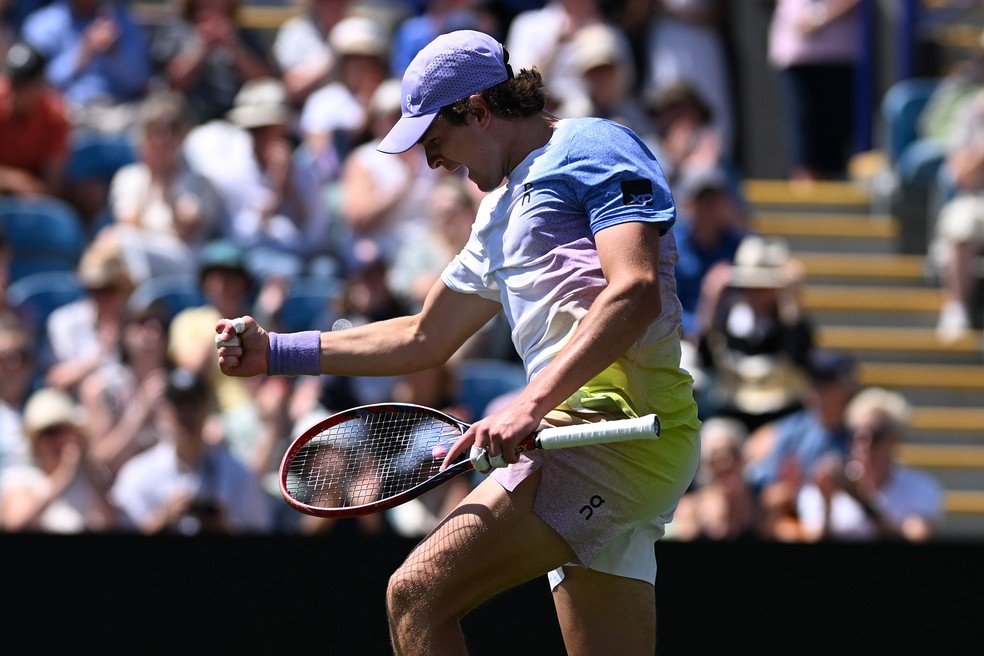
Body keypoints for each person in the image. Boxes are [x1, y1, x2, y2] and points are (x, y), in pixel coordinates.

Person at [215, 30, 700, 654]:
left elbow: (634, 292)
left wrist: (529, 403)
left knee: (413, 596)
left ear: (478, 111)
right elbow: (422, 336)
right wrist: (276, 353)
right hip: (598, 439)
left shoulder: (594, 145)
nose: (433, 163)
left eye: (436, 142)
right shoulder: (495, 218)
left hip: (612, 432)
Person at [109, 365, 274, 534]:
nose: (187, 415)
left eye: (193, 405)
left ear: (207, 410)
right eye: (180, 406)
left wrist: (223, 525)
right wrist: (164, 517)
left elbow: (261, 526)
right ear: (164, 412)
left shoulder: (237, 473)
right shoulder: (139, 474)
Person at [694, 233, 815, 431]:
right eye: (749, 286)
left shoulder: (789, 323)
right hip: (732, 411)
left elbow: (798, 358)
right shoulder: (728, 316)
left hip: (782, 415)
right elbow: (706, 361)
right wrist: (710, 301)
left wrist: (791, 305)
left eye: (763, 286)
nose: (755, 294)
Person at [104, 89, 224, 286]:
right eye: (156, 130)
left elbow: (186, 229)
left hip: (184, 259)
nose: (164, 138)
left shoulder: (197, 181)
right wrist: (152, 179)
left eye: (172, 129)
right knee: (123, 241)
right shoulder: (130, 177)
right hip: (139, 252)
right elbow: (128, 223)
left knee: (123, 242)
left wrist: (165, 181)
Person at [796, 386, 945, 542]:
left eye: (876, 435)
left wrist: (861, 500)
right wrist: (826, 505)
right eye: (857, 435)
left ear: (894, 440)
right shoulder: (825, 483)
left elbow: (916, 537)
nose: (865, 444)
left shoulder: (920, 487)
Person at [742, 348, 860, 541]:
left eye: (827, 382)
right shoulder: (790, 430)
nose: (817, 390)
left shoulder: (865, 433)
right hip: (800, 525)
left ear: (847, 388)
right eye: (814, 382)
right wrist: (793, 491)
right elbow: (769, 495)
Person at [0, 385, 120, 532]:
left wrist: (86, 464)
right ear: (35, 442)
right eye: (50, 432)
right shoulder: (20, 478)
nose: (60, 440)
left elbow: (110, 523)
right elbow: (15, 523)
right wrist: (63, 475)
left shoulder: (89, 478)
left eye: (66, 430)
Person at [767, 0, 863, 182]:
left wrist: (820, 17)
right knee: (802, 123)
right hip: (795, 53)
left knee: (835, 132)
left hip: (841, 55)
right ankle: (805, 184)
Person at [148, 0, 277, 125]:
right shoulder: (176, 32)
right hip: (188, 118)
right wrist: (201, 47)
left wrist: (234, 47)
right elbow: (173, 82)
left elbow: (265, 82)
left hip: (241, 118)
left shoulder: (245, 35)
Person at [0, 41, 71, 198]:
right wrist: (14, 181)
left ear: (39, 85)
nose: (15, 90)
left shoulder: (55, 115)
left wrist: (34, 193)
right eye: (13, 81)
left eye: (23, 84)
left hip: (34, 196)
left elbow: (53, 182)